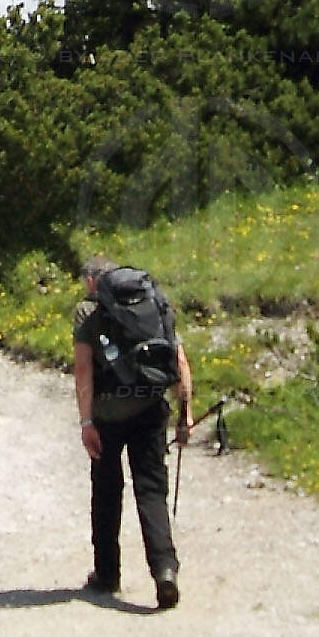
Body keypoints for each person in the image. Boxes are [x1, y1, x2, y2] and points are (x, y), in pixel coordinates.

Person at [71, 253, 192, 610]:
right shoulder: (155, 303)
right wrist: (185, 415)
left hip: (108, 414)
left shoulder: (87, 313)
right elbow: (179, 361)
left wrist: (86, 422)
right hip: (151, 409)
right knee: (152, 490)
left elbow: (82, 371)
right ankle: (165, 569)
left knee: (107, 493)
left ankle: (107, 574)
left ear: (93, 282)